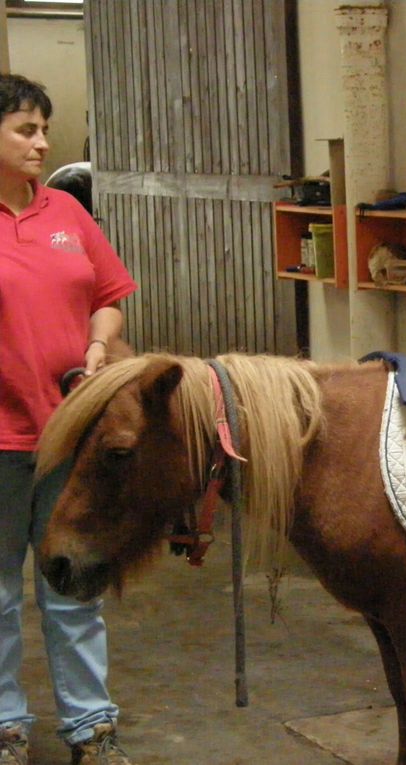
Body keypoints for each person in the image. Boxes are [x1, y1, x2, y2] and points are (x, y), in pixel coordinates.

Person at [0, 74, 137, 765]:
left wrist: (95, 343)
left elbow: (111, 292)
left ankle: (91, 727)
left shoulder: (66, 213)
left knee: (74, 585)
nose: (42, 142)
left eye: (44, 128)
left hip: (68, 440)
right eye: (25, 129)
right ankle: (6, 727)